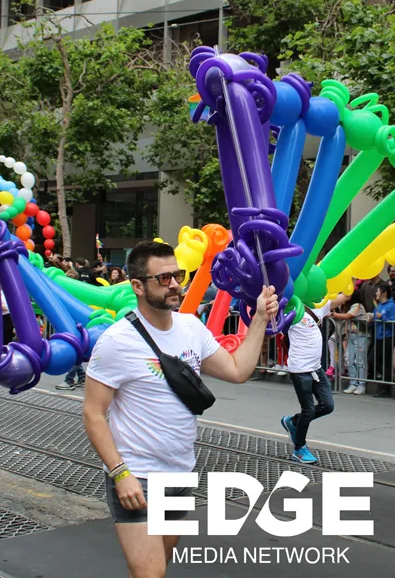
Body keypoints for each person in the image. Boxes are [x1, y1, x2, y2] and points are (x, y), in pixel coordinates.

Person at [82, 241, 278, 578]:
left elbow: (237, 370)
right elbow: (93, 413)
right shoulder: (116, 342)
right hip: (138, 477)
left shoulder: (191, 328)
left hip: (180, 474)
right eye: (164, 278)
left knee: (157, 567)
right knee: (151, 574)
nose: (174, 284)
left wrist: (260, 317)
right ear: (138, 286)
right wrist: (120, 474)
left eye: (178, 275)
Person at [280, 294, 347, 463]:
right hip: (300, 370)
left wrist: (350, 281)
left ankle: (293, 422)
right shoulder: (290, 311)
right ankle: (299, 449)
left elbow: (344, 297)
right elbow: (274, 327)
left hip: (316, 369)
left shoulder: (317, 308)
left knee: (327, 405)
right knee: (308, 409)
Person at [333, 289, 369, 395]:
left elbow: (348, 316)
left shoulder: (357, 305)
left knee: (360, 361)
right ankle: (353, 383)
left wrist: (333, 314)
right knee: (349, 359)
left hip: (361, 336)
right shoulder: (348, 306)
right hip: (351, 336)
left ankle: (361, 384)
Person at [369, 283, 395, 398]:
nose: (376, 293)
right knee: (372, 359)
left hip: (388, 336)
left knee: (385, 362)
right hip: (379, 336)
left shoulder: (391, 306)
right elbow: (375, 318)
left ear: (384, 293)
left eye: (378, 291)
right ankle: (385, 380)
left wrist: (382, 317)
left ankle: (386, 387)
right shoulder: (379, 305)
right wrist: (371, 320)